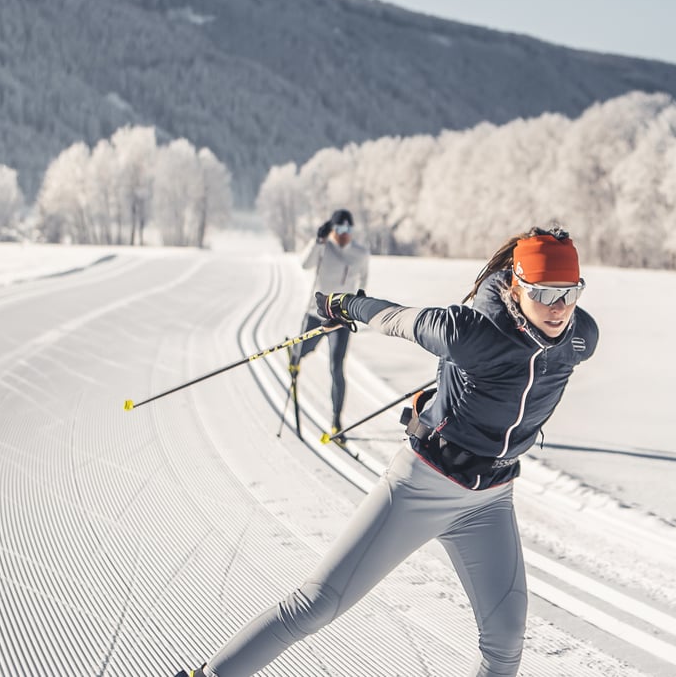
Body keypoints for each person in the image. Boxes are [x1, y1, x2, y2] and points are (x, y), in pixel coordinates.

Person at [178, 228, 598, 677]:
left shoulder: (580, 338)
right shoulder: (469, 333)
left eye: (569, 292)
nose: (559, 308)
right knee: (319, 603)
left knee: (507, 641)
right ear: (516, 285)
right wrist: (344, 305)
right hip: (423, 484)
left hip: (490, 500)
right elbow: (396, 318)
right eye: (544, 293)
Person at [293, 209, 370, 436]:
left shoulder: (360, 252)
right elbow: (304, 264)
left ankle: (337, 422)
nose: (344, 234)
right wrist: (317, 241)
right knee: (303, 350)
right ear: (333, 229)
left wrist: (361, 298)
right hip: (316, 314)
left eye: (348, 229)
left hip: (341, 318)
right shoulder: (323, 247)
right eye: (339, 229)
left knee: (337, 367)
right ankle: (295, 357)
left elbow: (364, 278)